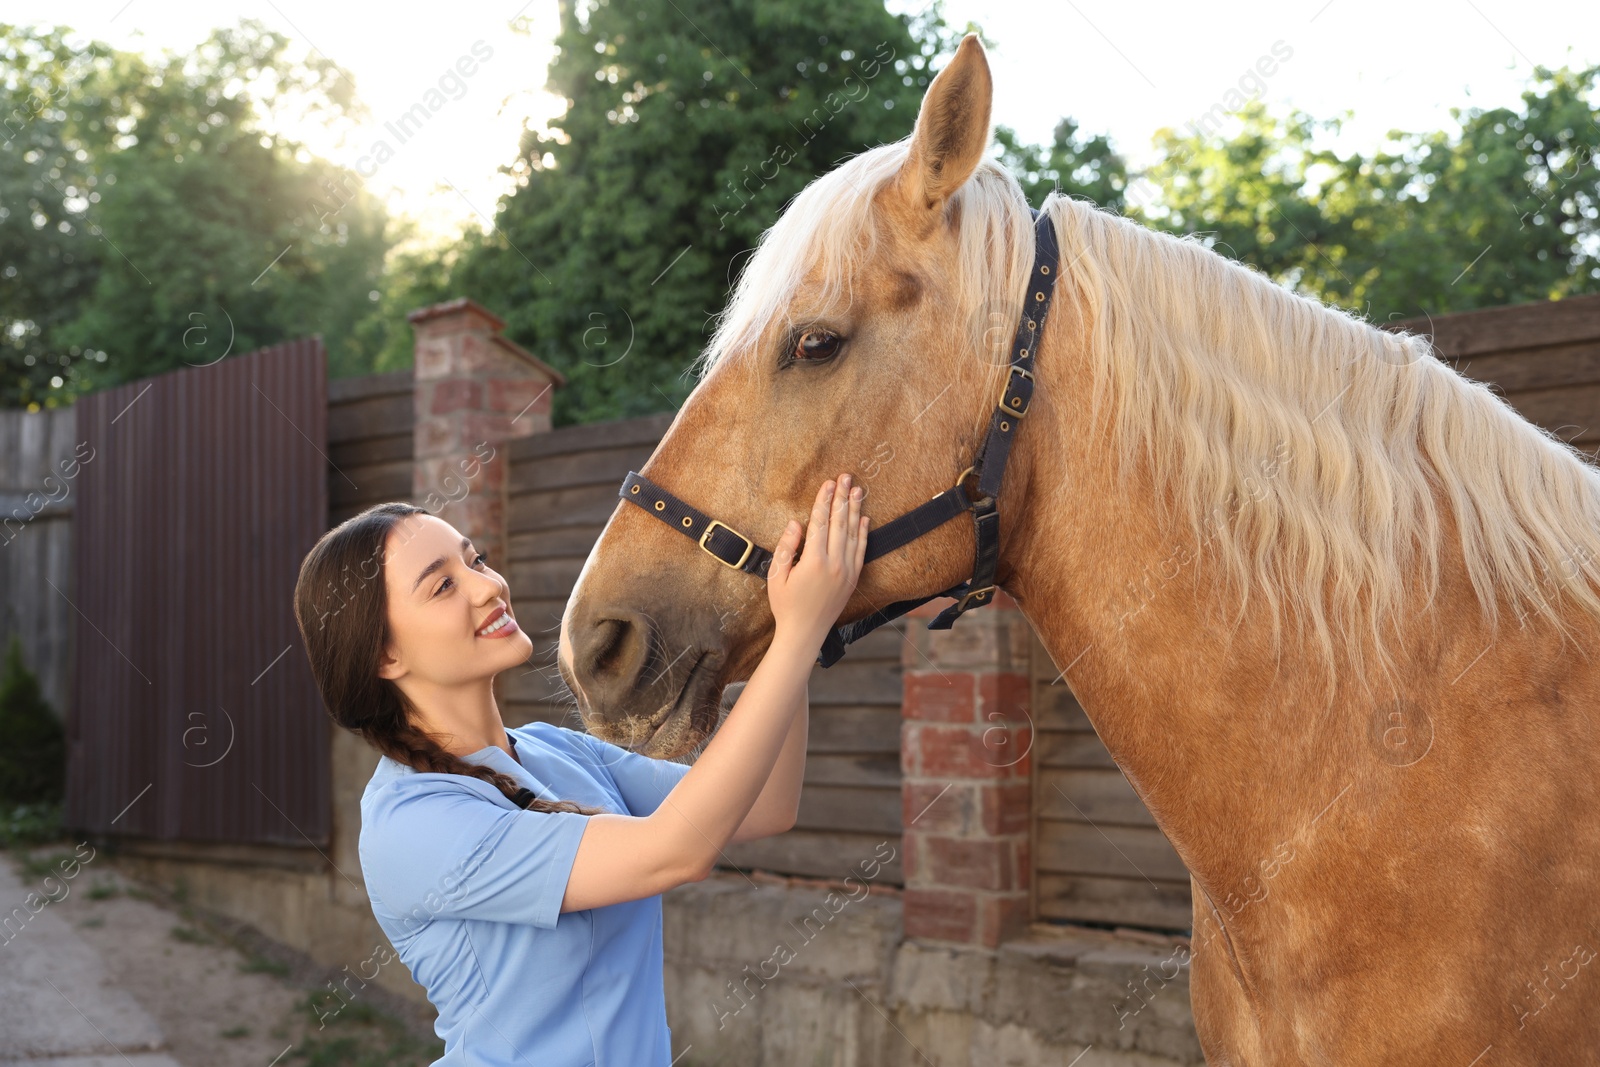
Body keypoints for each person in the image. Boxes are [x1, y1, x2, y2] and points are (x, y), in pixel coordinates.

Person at [291, 473, 868, 1066]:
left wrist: (782, 628)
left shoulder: (554, 751)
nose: (487, 587)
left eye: (476, 561)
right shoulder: (412, 823)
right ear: (384, 654)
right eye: (442, 586)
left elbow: (769, 803)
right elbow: (674, 851)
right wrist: (800, 633)